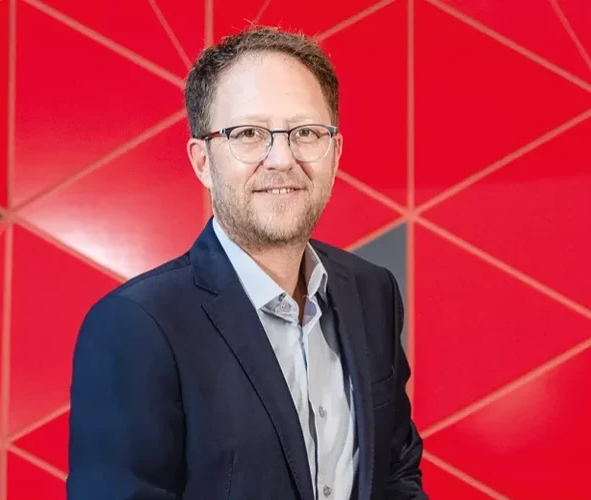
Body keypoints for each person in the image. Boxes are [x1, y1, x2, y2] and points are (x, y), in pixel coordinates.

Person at [67, 26, 426, 500]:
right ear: (202, 161)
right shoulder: (134, 326)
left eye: (305, 133)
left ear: (335, 153)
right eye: (249, 134)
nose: (281, 159)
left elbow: (395, 472)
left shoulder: (372, 292)